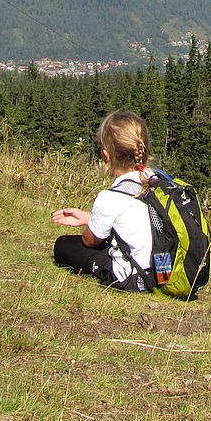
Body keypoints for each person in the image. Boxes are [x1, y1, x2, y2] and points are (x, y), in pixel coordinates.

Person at [51, 110, 159, 292]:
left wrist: (91, 224)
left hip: (134, 278)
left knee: (63, 245)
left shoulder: (110, 197)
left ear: (106, 155)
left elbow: (90, 241)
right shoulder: (158, 181)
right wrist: (89, 217)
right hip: (164, 269)